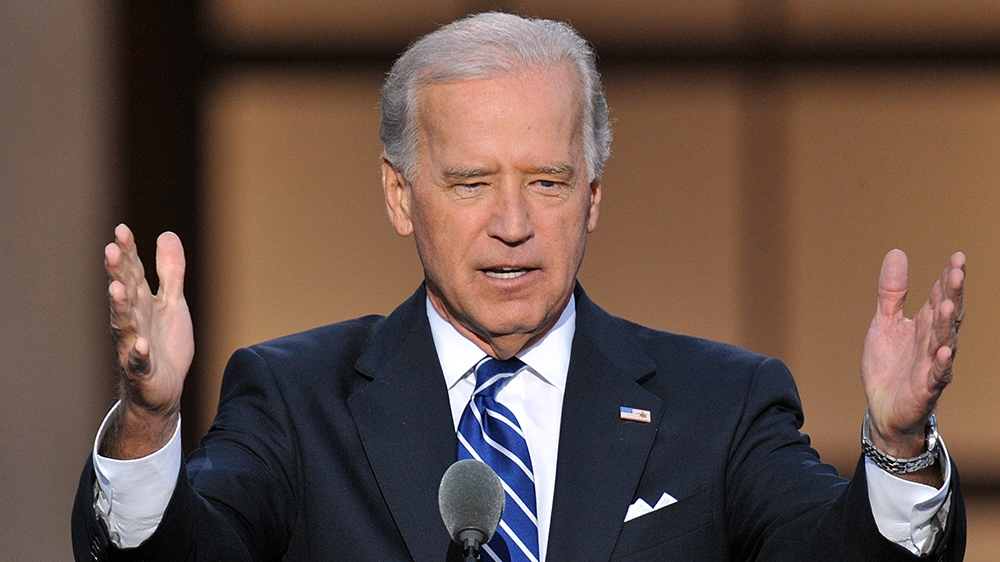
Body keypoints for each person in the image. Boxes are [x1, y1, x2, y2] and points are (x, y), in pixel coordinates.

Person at [72, 11, 967, 562]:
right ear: (399, 195)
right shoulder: (297, 400)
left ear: (593, 196)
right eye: (470, 184)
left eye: (547, 180)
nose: (514, 223)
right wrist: (151, 422)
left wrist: (897, 446)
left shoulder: (721, 405)